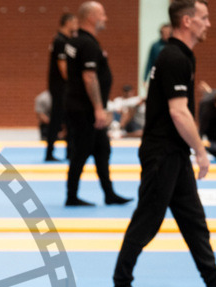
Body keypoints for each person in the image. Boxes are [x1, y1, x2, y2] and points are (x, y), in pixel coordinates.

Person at [111, 0, 216, 287]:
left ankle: (212, 277)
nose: (208, 24)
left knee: (192, 216)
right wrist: (201, 150)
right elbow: (179, 112)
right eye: (204, 18)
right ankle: (121, 283)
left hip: (172, 151)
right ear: (187, 21)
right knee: (148, 218)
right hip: (162, 152)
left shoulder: (179, 55)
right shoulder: (174, 57)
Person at [63, 2, 130, 206]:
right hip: (86, 109)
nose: (105, 18)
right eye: (102, 15)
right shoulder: (87, 44)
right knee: (81, 151)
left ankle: (109, 193)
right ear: (91, 17)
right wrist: (99, 109)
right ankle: (71, 196)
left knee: (102, 148)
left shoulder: (76, 41)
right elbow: (89, 77)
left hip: (81, 106)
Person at [46, 13, 77, 161]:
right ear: (68, 22)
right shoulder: (60, 41)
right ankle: (49, 151)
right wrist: (73, 81)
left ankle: (70, 151)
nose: (76, 25)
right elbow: (62, 66)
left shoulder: (66, 40)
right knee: (57, 118)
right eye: (74, 22)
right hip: (60, 87)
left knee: (68, 118)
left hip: (62, 87)